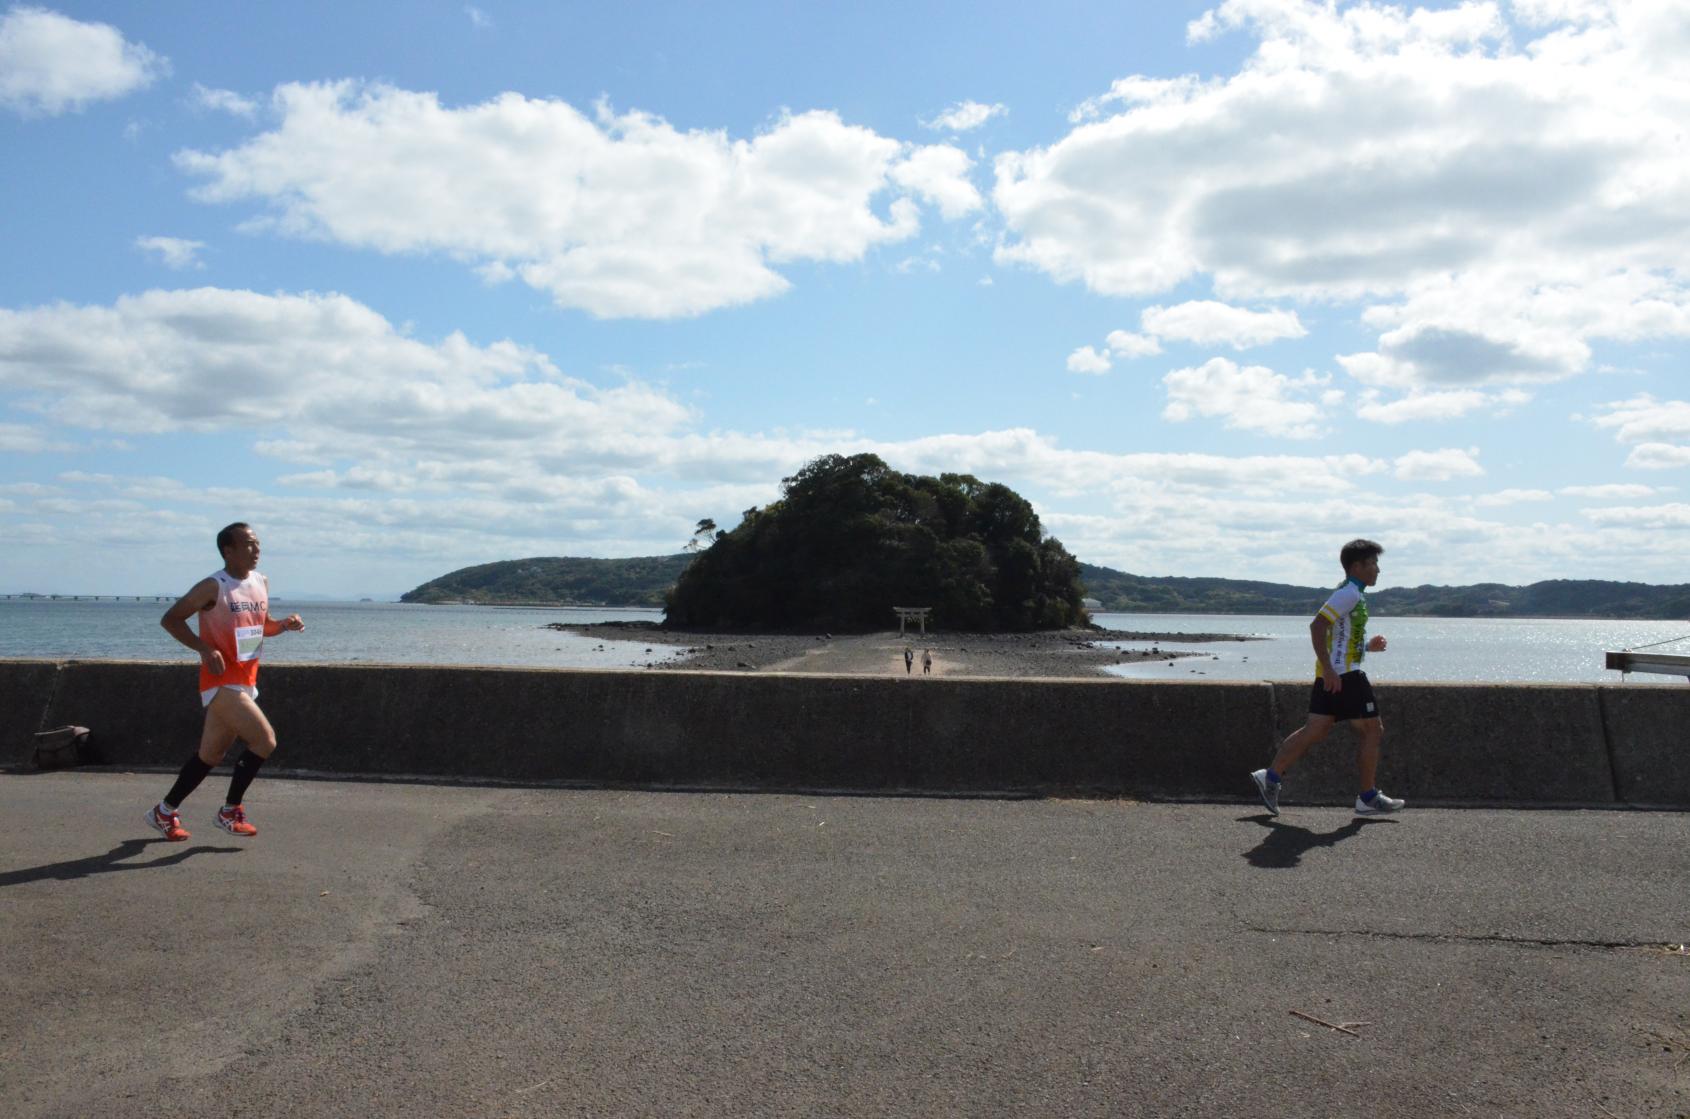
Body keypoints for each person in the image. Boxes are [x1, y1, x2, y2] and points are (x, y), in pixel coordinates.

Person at [145, 523, 304, 841]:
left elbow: (262, 627)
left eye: (258, 543)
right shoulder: (212, 586)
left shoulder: (261, 582)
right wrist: (204, 649)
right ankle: (230, 811)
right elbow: (171, 619)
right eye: (248, 544)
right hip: (220, 682)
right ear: (228, 551)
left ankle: (164, 811)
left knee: (210, 756)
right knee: (264, 741)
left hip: (246, 679)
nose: (256, 549)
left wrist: (284, 625)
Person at [1250, 538, 1404, 817]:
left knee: (1317, 729)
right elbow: (1317, 625)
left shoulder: (1354, 595)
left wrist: (1368, 647)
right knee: (1373, 730)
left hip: (1333, 675)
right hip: (1344, 676)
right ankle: (1368, 797)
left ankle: (1270, 777)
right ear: (1356, 566)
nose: (1378, 570)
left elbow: (1339, 636)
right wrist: (1331, 669)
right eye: (1372, 564)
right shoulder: (1348, 594)